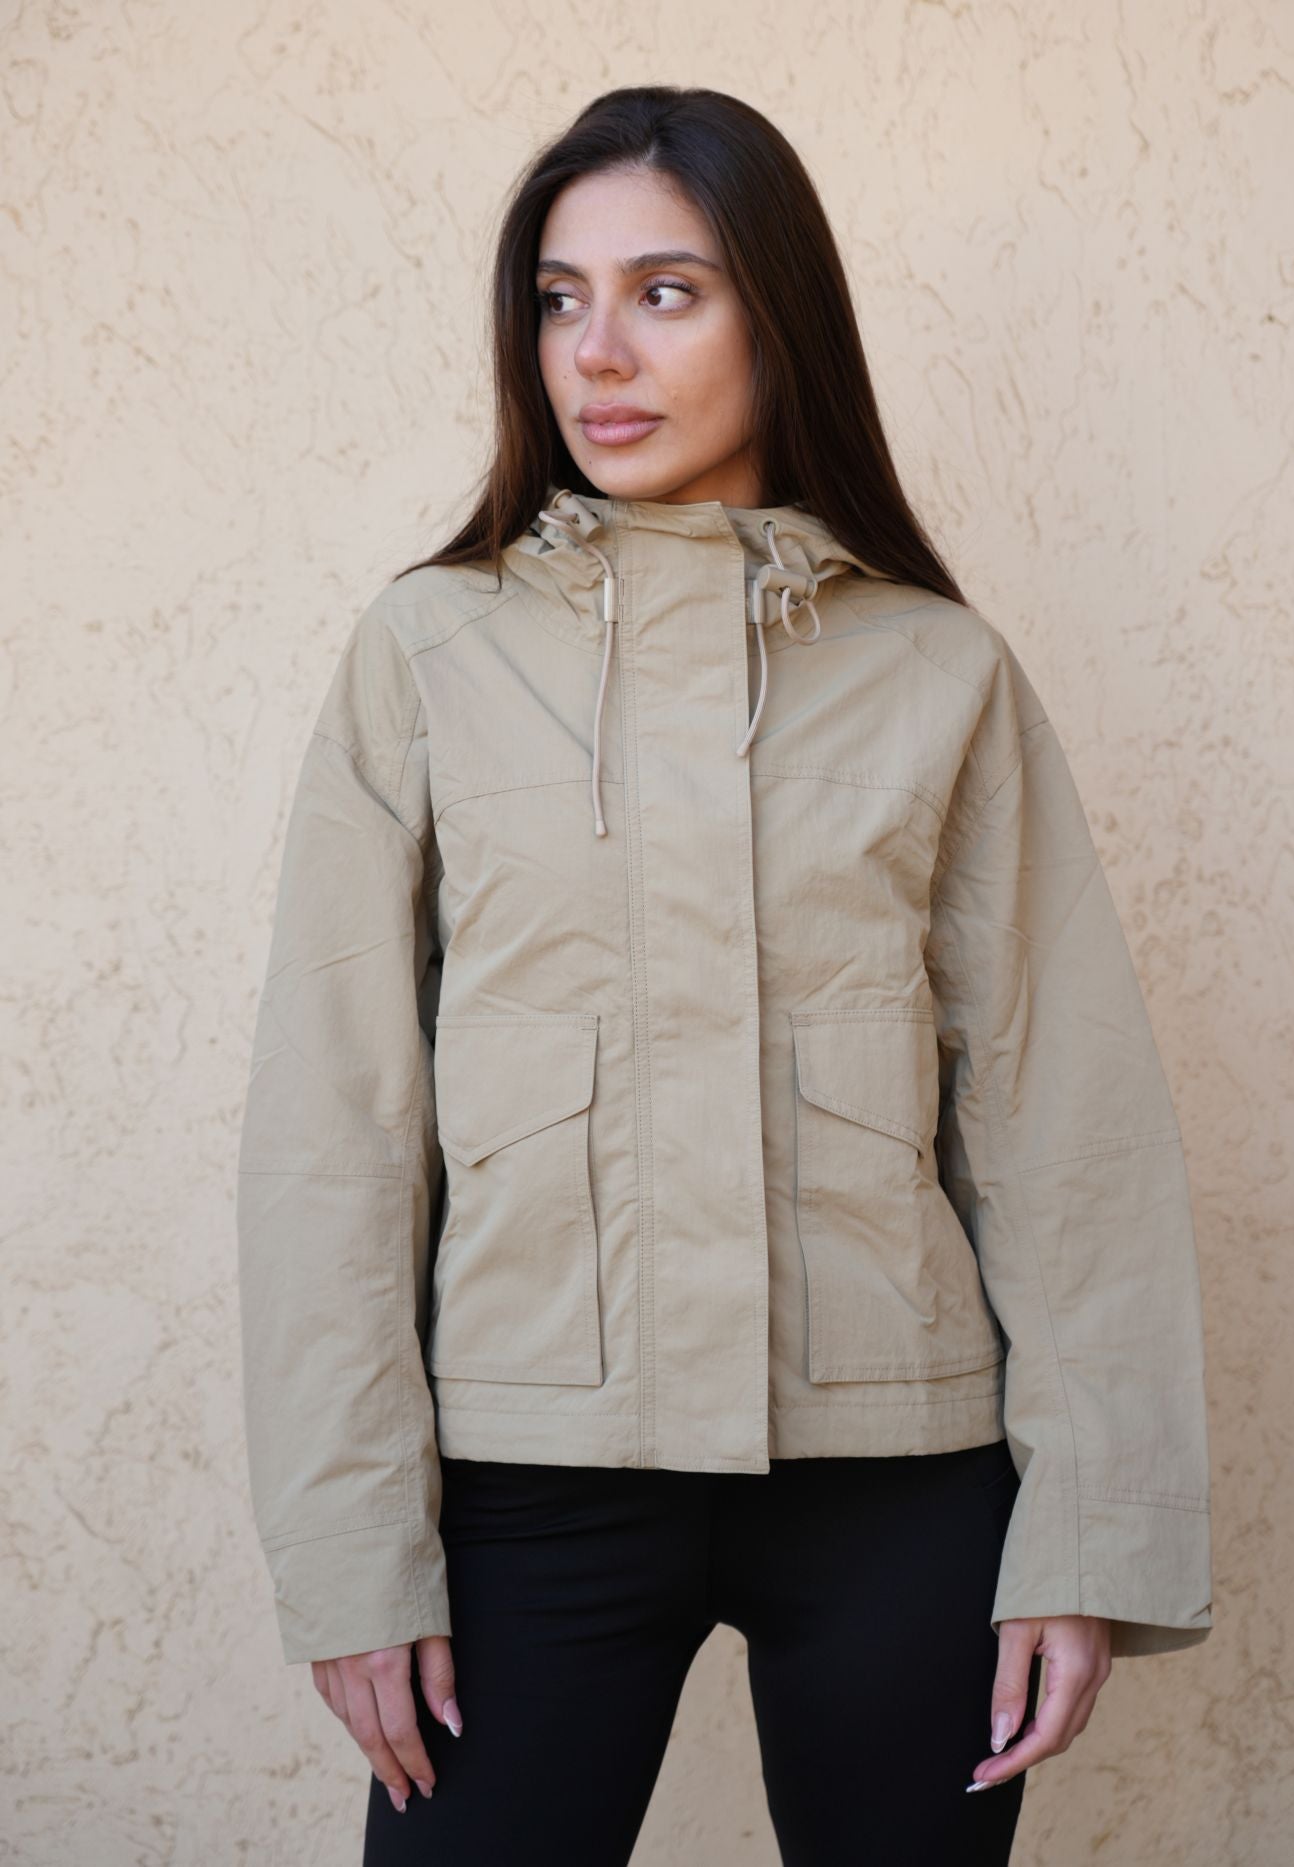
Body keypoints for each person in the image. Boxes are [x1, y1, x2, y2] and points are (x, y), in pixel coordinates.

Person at [234, 85, 1213, 1867]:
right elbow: (336, 1130)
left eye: (666, 293)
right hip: (529, 1472)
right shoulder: (430, 652)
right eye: (558, 298)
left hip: (899, 1481)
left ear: (782, 314)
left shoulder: (940, 670)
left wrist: (1093, 1528)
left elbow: (1061, 1121)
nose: (596, 352)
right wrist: (352, 1542)